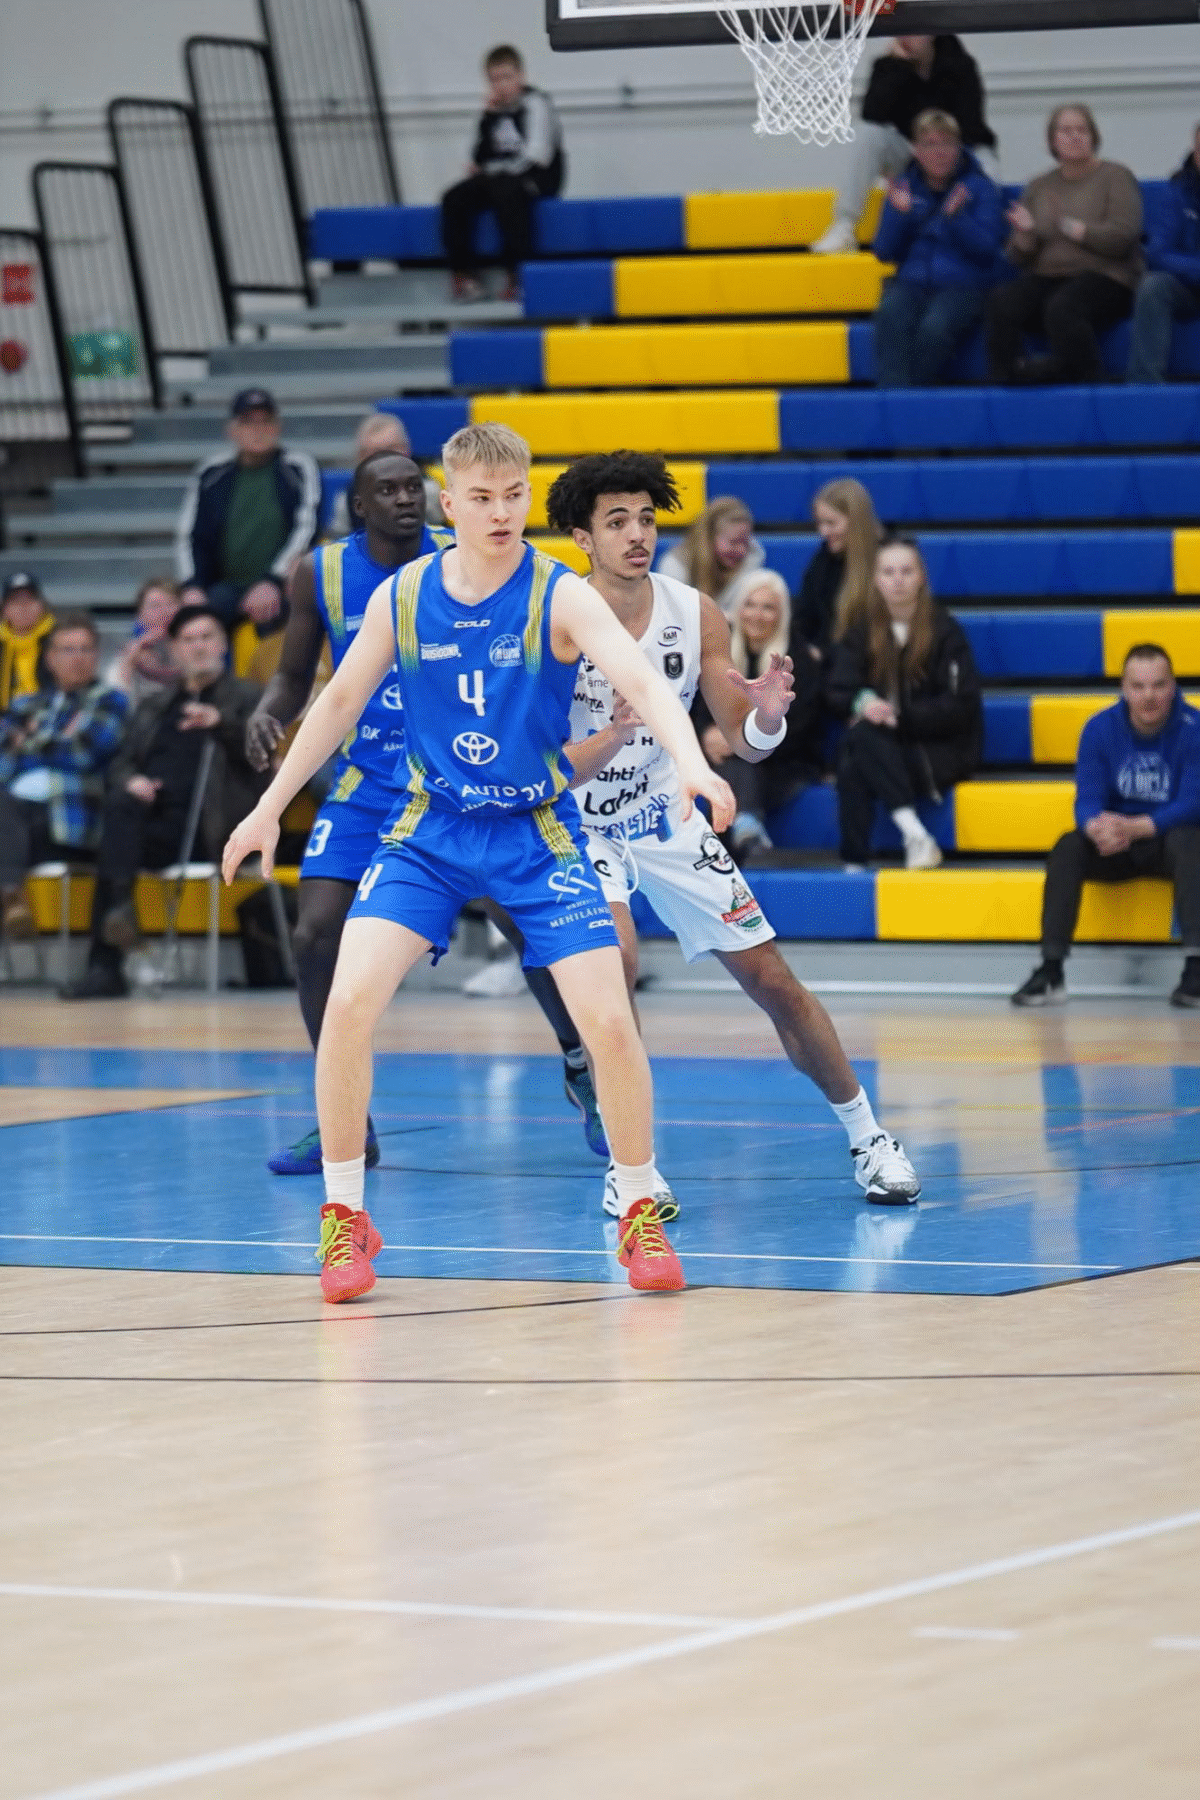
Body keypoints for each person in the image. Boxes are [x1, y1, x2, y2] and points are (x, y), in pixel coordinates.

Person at [223, 422, 734, 1303]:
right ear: (450, 504)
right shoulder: (404, 594)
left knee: (609, 1022)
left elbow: (644, 683)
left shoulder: (558, 593)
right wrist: (268, 808)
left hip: (536, 833)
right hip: (430, 830)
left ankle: (638, 1204)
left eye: (514, 497)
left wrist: (693, 762)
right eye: (483, 499)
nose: (501, 513)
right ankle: (345, 1217)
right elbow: (336, 701)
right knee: (346, 1003)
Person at [545, 451, 920, 1212]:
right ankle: (631, 1168)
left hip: (667, 812)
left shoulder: (694, 612)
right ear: (582, 537)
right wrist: (610, 740)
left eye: (645, 519)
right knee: (616, 961)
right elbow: (539, 761)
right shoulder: (552, 616)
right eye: (616, 522)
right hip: (579, 822)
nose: (636, 534)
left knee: (773, 981)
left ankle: (869, 1136)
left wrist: (768, 717)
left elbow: (743, 742)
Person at [245, 447, 604, 1175]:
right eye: (389, 489)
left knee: (521, 921)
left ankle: (580, 1063)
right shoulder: (321, 572)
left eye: (414, 486)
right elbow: (299, 678)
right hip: (367, 780)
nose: (404, 498)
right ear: (360, 506)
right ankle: (347, 1124)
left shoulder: (469, 552)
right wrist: (267, 713)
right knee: (314, 934)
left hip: (460, 780)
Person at [61, 606, 264, 1000]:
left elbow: (263, 756)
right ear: (174, 650)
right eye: (188, 640)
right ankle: (117, 923)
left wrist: (220, 723)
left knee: (114, 847)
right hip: (154, 822)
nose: (198, 647)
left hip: (215, 827)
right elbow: (120, 763)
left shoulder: (248, 697)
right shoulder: (156, 705)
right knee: (120, 807)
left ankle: (107, 961)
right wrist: (132, 780)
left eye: (206, 637)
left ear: (223, 644)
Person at [1012, 645, 1200, 1009]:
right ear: (1124, 689)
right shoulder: (1099, 729)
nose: (1148, 696)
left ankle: (1196, 968)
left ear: (1174, 687)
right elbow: (1086, 799)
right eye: (1138, 686)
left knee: (1191, 840)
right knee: (1068, 846)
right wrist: (1096, 827)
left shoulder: (1195, 730)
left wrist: (1137, 826)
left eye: (1158, 685)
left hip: (1168, 842)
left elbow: (1192, 804)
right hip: (1118, 843)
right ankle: (1051, 970)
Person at [827, 535, 982, 871]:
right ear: (875, 579)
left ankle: (855, 861)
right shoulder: (863, 630)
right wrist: (862, 702)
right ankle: (913, 835)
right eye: (888, 572)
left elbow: (961, 706)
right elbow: (838, 688)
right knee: (860, 742)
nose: (897, 580)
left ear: (921, 576)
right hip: (881, 747)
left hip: (937, 749)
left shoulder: (945, 631)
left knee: (858, 744)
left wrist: (900, 718)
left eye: (907, 571)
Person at [987, 104, 1143, 386]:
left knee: (1063, 307)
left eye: (1082, 130)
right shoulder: (1038, 186)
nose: (1074, 136)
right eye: (1066, 131)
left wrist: (1079, 230)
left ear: (1093, 137)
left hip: (1107, 276)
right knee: (1002, 302)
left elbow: (1124, 236)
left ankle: (1091, 383)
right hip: (1049, 276)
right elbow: (1017, 256)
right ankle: (1010, 380)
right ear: (1053, 141)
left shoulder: (1116, 176)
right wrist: (1026, 234)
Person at [0, 612, 127, 941]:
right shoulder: (25, 704)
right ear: (50, 658)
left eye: (86, 649)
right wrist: (54, 742)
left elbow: (83, 754)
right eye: (68, 650)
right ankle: (10, 896)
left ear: (97, 656)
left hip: (69, 824)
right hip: (17, 823)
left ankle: (11, 895)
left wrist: (28, 742)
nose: (78, 658)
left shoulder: (111, 701)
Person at [813, 35, 996, 255]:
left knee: (986, 158)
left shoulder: (960, 65)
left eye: (914, 32)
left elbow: (971, 126)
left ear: (931, 34)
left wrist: (938, 145)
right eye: (901, 31)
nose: (905, 38)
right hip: (913, 155)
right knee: (868, 134)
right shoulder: (888, 66)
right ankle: (844, 225)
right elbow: (872, 114)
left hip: (954, 153)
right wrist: (898, 67)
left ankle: (993, 230)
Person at [693, 568, 826, 861]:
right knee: (732, 761)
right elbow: (699, 706)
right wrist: (707, 734)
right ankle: (747, 832)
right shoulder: (718, 652)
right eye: (750, 605)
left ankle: (741, 832)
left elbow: (801, 727)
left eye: (768, 607)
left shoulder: (797, 659)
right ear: (738, 608)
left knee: (742, 760)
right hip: (723, 756)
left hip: (782, 761)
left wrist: (743, 739)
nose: (757, 615)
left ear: (782, 614)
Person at [872, 110, 1006, 388]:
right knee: (889, 316)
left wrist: (957, 219)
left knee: (934, 329)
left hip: (964, 285)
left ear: (959, 148)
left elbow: (988, 249)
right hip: (911, 283)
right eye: (930, 144)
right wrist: (901, 216)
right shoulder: (904, 188)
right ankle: (896, 403)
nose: (939, 152)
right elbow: (883, 252)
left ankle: (906, 401)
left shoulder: (979, 187)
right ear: (916, 151)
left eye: (947, 143)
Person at [176, 388, 321, 638]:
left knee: (284, 611)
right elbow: (189, 535)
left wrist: (272, 580)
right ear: (231, 430)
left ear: (278, 427)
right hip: (223, 587)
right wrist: (192, 586)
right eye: (248, 422)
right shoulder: (210, 473)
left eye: (266, 421)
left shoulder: (298, 467)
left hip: (282, 584)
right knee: (196, 621)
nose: (258, 430)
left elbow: (306, 528)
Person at [441, 45, 565, 303]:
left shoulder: (537, 104)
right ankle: (465, 277)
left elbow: (537, 155)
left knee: (508, 191)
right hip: (500, 178)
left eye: (507, 77)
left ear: (521, 76)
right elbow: (479, 157)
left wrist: (493, 171)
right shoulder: (493, 111)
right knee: (454, 197)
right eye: (495, 79)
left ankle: (519, 276)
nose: (501, 85)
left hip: (538, 177)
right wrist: (488, 117)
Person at [1127, 124, 1200, 384]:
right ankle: (1144, 388)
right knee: (1153, 286)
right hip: (1187, 287)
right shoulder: (1176, 193)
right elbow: (1157, 253)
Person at [792, 479, 882, 661]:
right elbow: (805, 620)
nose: (823, 532)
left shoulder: (886, 560)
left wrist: (825, 653)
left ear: (856, 522)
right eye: (820, 523)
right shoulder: (822, 560)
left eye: (831, 523)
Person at [658, 497, 764, 617]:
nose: (742, 550)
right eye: (733, 542)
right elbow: (674, 614)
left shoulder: (751, 558)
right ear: (709, 537)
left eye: (745, 542)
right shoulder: (675, 564)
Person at [105, 578, 181, 707]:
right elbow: (115, 693)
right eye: (155, 606)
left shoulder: (195, 644)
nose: (165, 612)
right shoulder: (129, 652)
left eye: (171, 604)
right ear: (140, 615)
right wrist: (131, 657)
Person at [0, 573, 54, 710]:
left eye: (30, 600)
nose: (24, 607)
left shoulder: (58, 640)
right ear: (4, 609)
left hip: (50, 713)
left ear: (42, 605)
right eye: (16, 602)